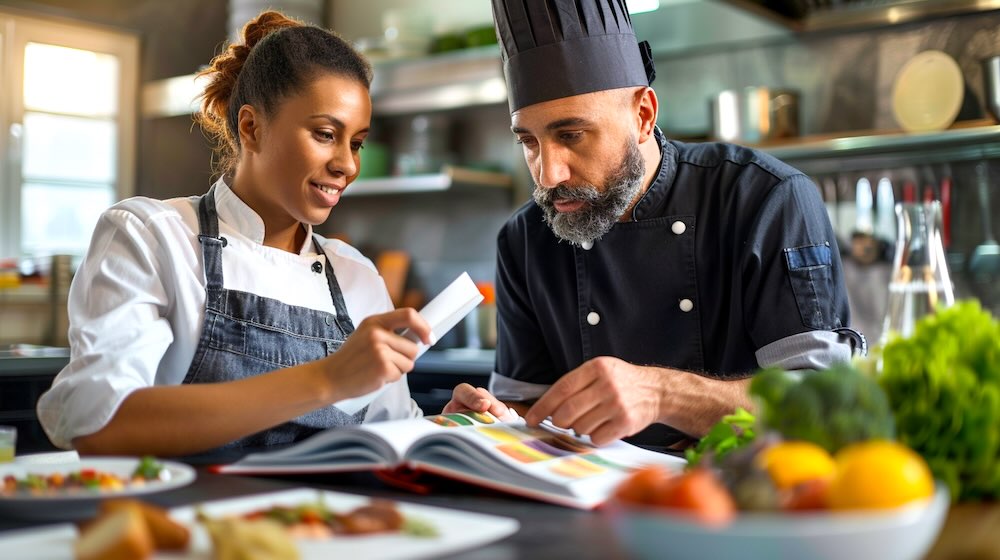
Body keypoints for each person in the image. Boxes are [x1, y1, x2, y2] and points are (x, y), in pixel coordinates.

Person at [37, 11, 487, 457]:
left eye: (357, 143)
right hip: (182, 524)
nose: (347, 165)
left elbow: (386, 435)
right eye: (326, 134)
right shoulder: (151, 237)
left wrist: (446, 425)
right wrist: (327, 378)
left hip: (323, 526)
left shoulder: (358, 277)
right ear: (251, 127)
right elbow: (101, 424)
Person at [461, 0, 866, 448]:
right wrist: (489, 420)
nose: (547, 174)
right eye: (529, 142)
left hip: (746, 502)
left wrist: (661, 395)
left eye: (570, 135)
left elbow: (821, 407)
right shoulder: (525, 240)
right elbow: (527, 411)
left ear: (643, 115)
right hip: (594, 510)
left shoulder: (766, 200)